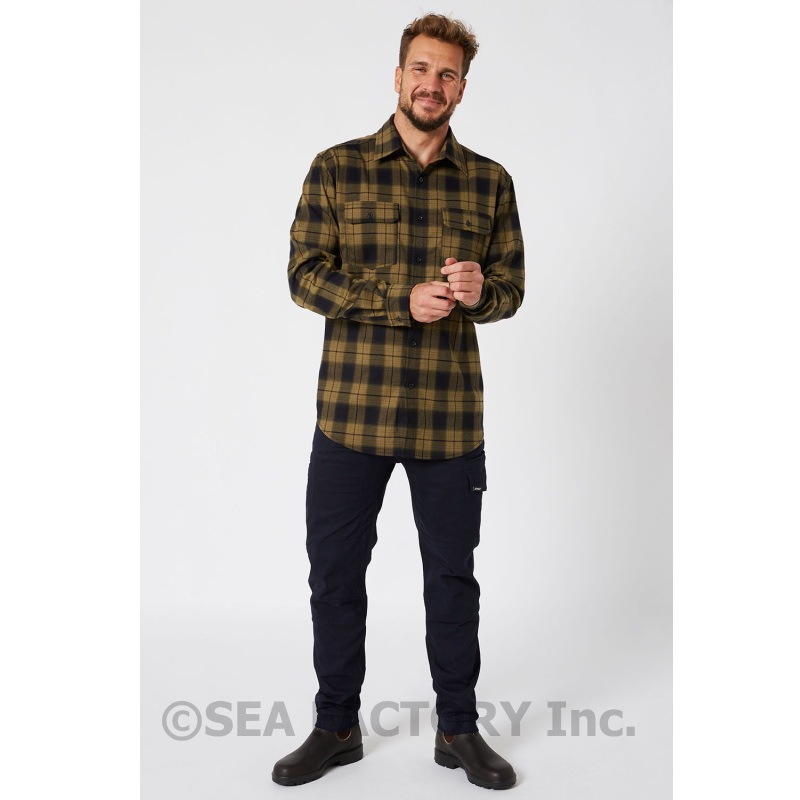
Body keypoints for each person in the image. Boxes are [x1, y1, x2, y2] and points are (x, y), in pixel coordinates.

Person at [272, 12, 524, 791]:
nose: (431, 84)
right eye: (421, 68)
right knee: (334, 575)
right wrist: (396, 299)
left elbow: (511, 290)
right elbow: (304, 275)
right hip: (350, 416)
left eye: (447, 74)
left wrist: (482, 293)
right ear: (397, 76)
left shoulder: (490, 182)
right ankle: (336, 726)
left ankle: (457, 731)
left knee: (453, 580)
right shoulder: (337, 168)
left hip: (449, 421)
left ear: (462, 88)